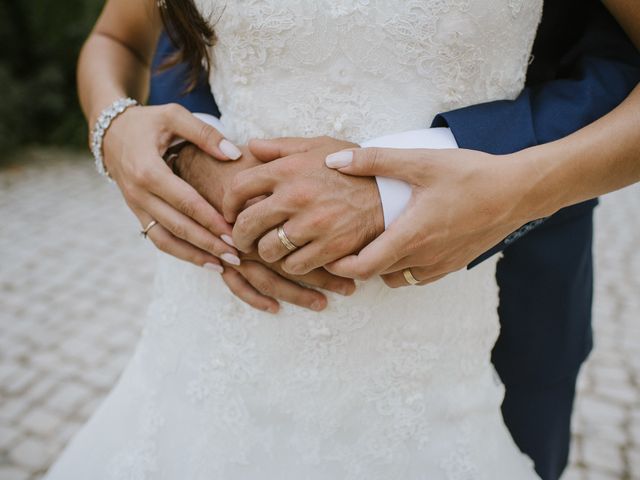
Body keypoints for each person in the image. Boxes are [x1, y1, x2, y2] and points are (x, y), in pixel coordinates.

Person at [43, 1, 637, 480]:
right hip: (212, 328)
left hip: (483, 308)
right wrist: (116, 130)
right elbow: (125, 39)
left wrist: (507, 186)